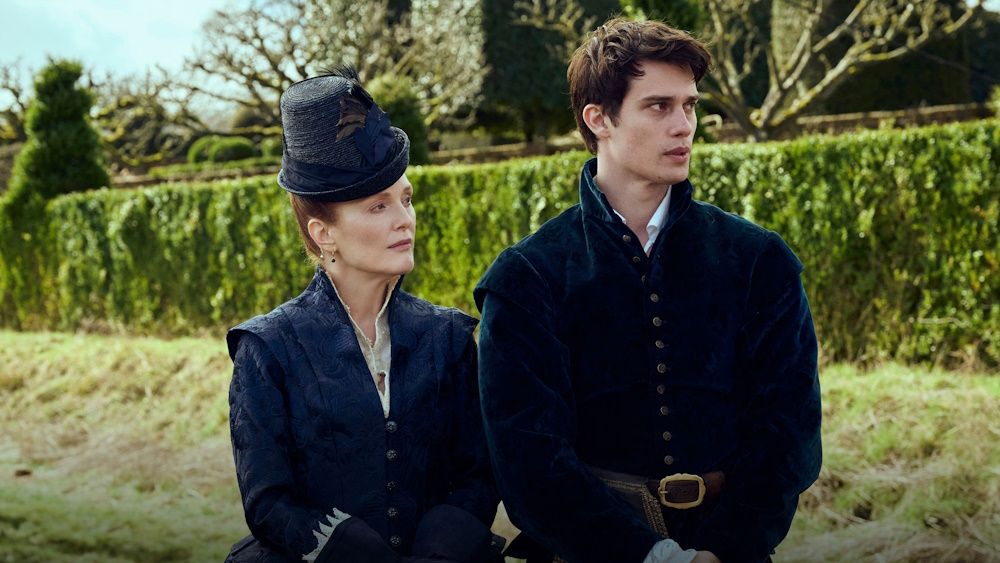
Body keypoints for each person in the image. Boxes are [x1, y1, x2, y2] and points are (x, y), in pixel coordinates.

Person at [474, 18, 822, 563]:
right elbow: (529, 462)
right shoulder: (528, 277)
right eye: (659, 106)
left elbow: (788, 433)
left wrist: (723, 550)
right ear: (599, 119)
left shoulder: (758, 260)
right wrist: (649, 556)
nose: (684, 126)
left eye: (690, 106)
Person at [224, 67, 500, 563]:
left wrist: (442, 545)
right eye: (377, 207)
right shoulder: (266, 350)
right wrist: (346, 549)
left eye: (406, 199)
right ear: (323, 232)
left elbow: (478, 473)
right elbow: (268, 501)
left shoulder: (450, 337)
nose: (404, 220)